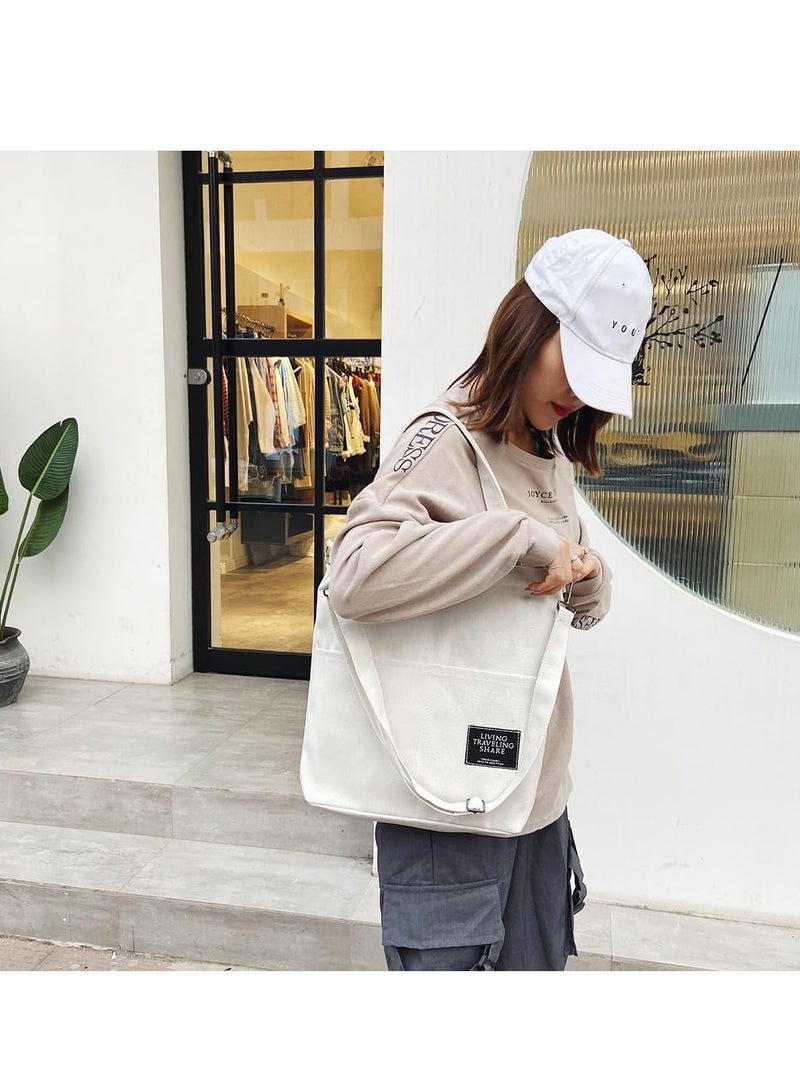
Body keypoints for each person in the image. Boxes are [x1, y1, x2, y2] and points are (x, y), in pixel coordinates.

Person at [326, 228, 653, 971]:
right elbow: (354, 574)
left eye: (597, 377)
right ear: (527, 325)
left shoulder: (547, 446)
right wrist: (515, 539)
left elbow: (560, 589)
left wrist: (591, 577)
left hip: (535, 794)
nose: (577, 393)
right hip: (448, 800)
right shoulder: (447, 436)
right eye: (574, 362)